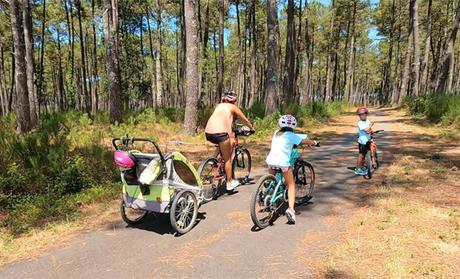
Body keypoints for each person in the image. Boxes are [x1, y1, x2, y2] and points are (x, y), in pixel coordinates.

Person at [265, 115, 319, 224]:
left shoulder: (276, 133)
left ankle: (264, 193)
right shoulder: (292, 136)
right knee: (291, 185)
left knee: (271, 179)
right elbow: (304, 142)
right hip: (283, 163)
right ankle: (291, 210)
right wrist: (314, 142)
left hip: (270, 161)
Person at [204, 90, 254, 191]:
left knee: (221, 144)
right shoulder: (233, 107)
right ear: (234, 100)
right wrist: (251, 128)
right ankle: (229, 182)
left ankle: (213, 160)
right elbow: (244, 119)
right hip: (221, 133)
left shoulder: (219, 105)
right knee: (227, 159)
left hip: (208, 132)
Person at [354, 106, 373, 175]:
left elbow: (369, 130)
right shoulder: (360, 123)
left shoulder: (368, 121)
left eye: (364, 114)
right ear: (359, 116)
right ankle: (358, 169)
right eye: (360, 115)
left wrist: (371, 131)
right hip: (362, 141)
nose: (362, 116)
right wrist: (370, 126)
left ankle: (362, 166)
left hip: (368, 140)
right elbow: (366, 129)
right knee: (361, 155)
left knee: (365, 155)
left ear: (366, 114)